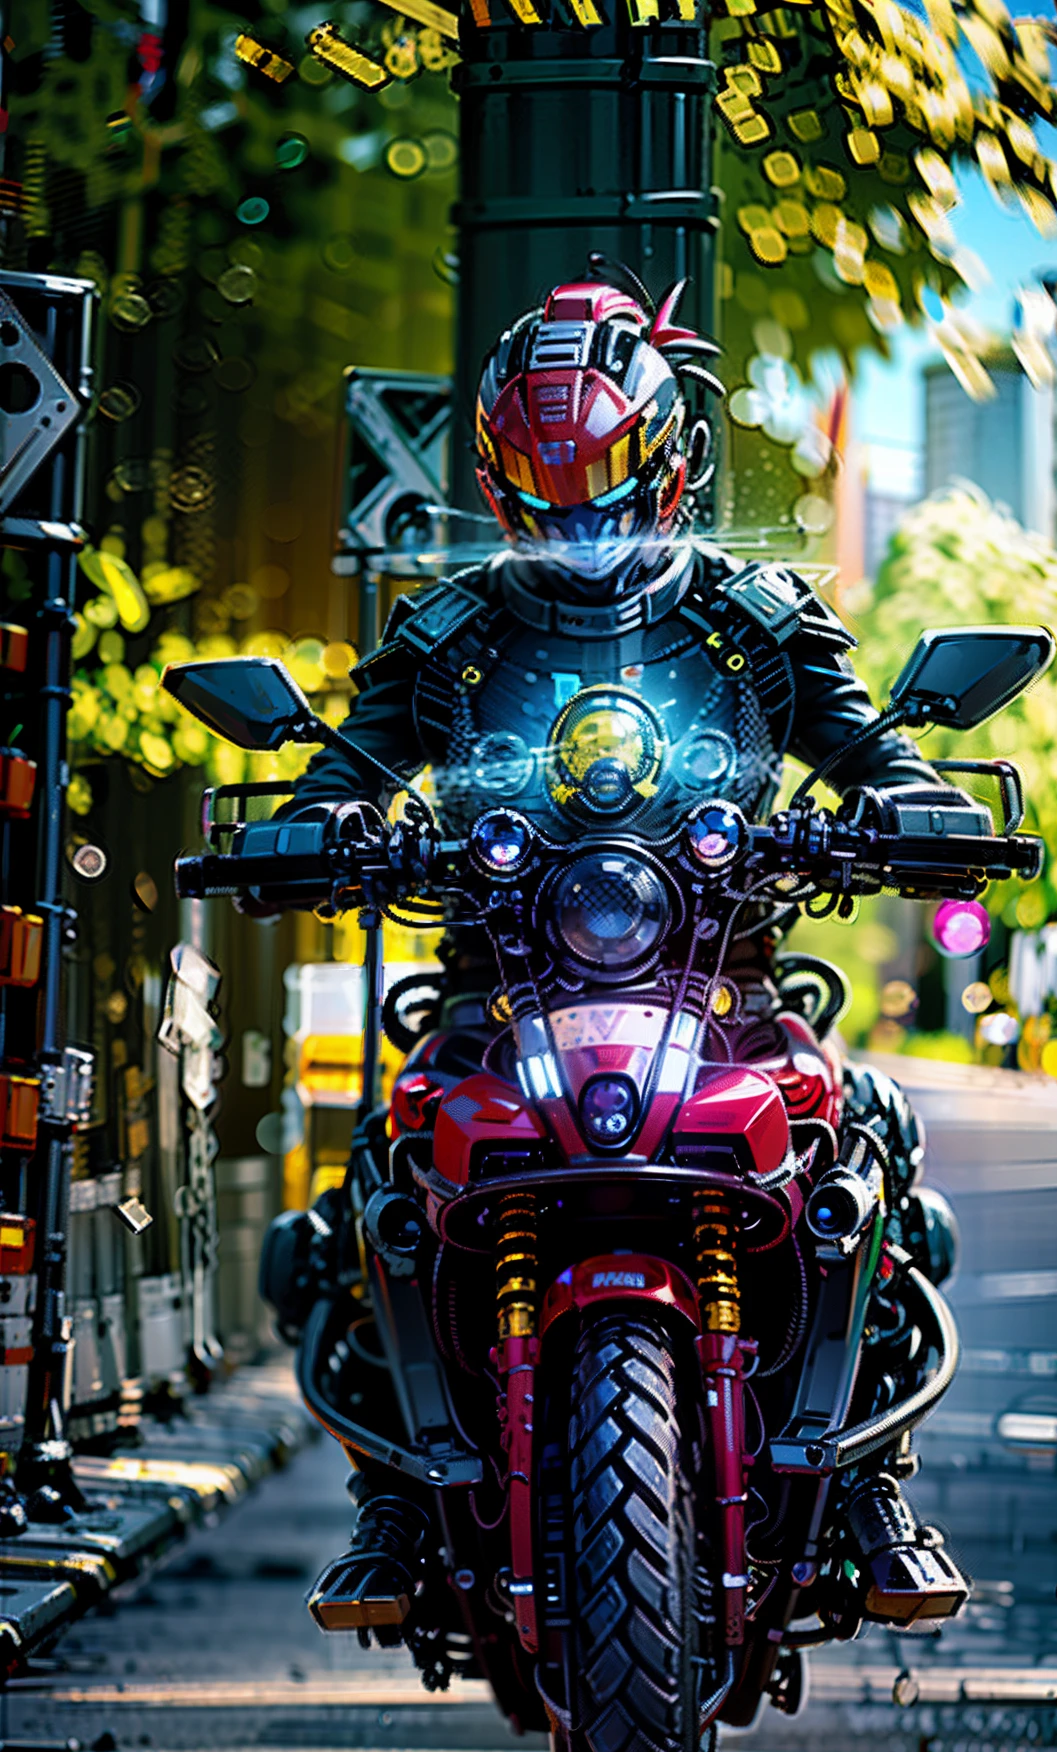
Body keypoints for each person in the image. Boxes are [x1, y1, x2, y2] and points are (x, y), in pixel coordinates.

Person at [297, 274, 971, 1643]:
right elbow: (352, 761)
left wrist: (908, 798)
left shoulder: (754, 615)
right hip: (501, 996)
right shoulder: (454, 629)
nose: (581, 516)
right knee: (378, 1181)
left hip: (722, 988)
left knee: (867, 1151)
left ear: (666, 459)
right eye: (549, 487)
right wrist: (317, 823)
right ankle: (390, 1496)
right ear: (499, 480)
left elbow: (859, 739)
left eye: (605, 478)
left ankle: (873, 1488)